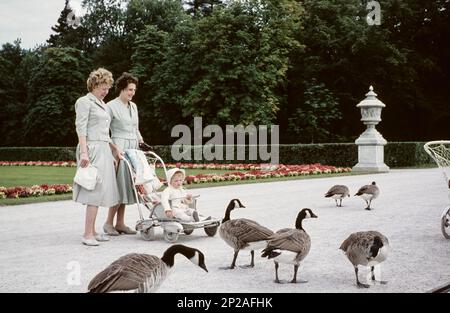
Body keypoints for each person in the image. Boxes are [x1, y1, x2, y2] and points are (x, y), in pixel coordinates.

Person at [73, 68, 121, 246]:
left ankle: (93, 230)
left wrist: (114, 150)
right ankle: (87, 234)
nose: (106, 91)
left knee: (100, 191)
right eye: (103, 87)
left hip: (103, 149)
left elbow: (105, 133)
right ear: (93, 85)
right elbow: (81, 129)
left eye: (108, 88)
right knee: (93, 190)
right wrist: (85, 153)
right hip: (92, 148)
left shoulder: (101, 104)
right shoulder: (84, 102)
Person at [103, 72, 144, 235]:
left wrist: (141, 142)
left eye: (134, 90)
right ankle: (108, 223)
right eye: (129, 89)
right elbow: (103, 132)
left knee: (128, 186)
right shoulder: (110, 106)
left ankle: (120, 223)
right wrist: (113, 148)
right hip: (118, 147)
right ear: (121, 89)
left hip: (133, 147)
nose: (132, 93)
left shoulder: (133, 107)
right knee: (119, 186)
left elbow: (136, 128)